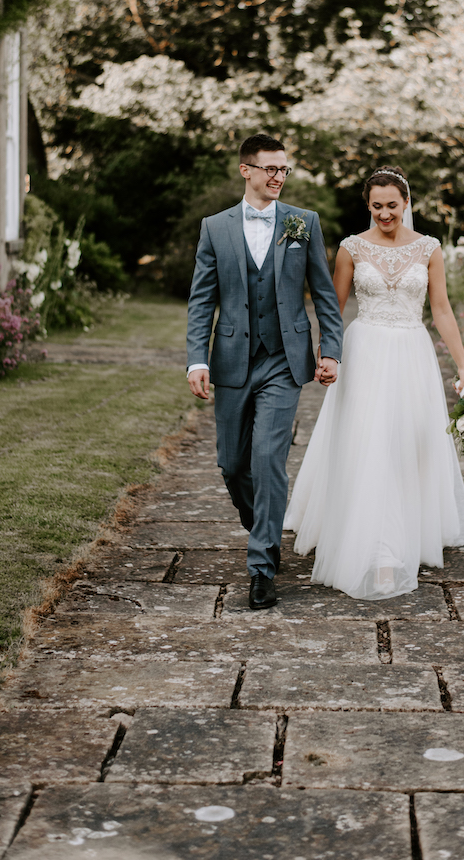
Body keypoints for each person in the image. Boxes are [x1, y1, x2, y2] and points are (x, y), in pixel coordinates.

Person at [284, 165, 464, 600]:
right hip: (365, 353)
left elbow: (441, 310)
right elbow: (333, 308)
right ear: (367, 206)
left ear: (406, 203)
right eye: (376, 206)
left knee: (407, 443)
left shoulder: (429, 248)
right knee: (367, 443)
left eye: (392, 205)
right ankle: (379, 550)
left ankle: (406, 531)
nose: (385, 214)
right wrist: (327, 355)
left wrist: (462, 365)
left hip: (412, 355)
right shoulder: (351, 248)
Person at [186, 133, 343, 610]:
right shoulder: (215, 228)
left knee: (268, 459)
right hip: (232, 360)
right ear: (246, 170)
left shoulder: (303, 222)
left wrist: (331, 350)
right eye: (270, 168)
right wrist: (197, 359)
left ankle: (261, 567)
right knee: (232, 464)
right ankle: (265, 526)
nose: (278, 177)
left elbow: (325, 293)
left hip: (284, 359)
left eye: (283, 169)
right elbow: (202, 300)